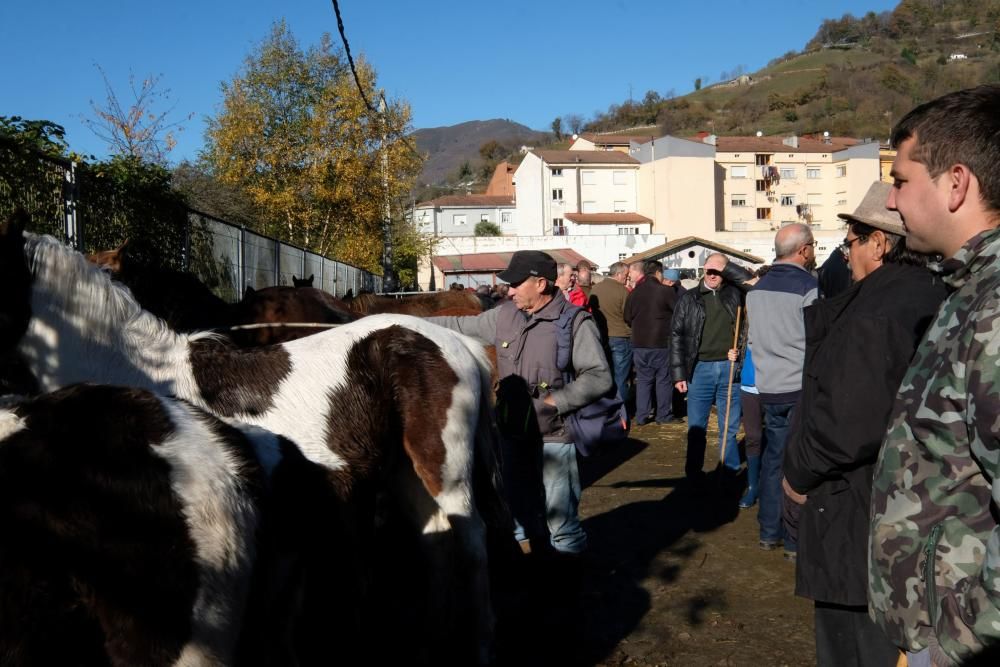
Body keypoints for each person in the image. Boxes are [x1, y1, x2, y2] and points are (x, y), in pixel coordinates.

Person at [781, 181, 947, 667]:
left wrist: (797, 473)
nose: (845, 255)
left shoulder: (877, 310)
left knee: (854, 645)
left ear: (878, 242)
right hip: (898, 516)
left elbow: (847, 423)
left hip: (858, 515)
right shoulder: (932, 293)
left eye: (849, 242)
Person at [868, 85, 1000, 666]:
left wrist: (955, 643)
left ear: (956, 183)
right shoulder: (968, 289)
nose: (892, 203)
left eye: (900, 180)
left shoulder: (994, 307)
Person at [429, 250, 612, 555]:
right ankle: (530, 583)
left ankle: (568, 590)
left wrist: (556, 401)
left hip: (554, 437)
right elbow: (458, 326)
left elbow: (599, 376)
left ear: (541, 284)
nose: (509, 290)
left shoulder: (575, 323)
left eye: (516, 283)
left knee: (562, 525)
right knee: (518, 518)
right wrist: (400, 319)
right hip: (511, 435)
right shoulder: (504, 317)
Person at [746, 223, 817, 557]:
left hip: (768, 386)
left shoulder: (756, 291)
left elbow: (754, 337)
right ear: (803, 250)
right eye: (813, 247)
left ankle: (767, 530)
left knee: (774, 459)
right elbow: (818, 340)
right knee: (798, 465)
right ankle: (792, 539)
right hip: (799, 386)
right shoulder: (808, 287)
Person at [670, 253, 746, 482]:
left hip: (729, 368)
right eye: (709, 270)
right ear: (703, 270)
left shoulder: (736, 295)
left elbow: (745, 330)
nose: (712, 275)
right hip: (699, 369)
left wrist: (739, 351)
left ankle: (729, 473)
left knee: (729, 428)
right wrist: (678, 373)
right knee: (696, 428)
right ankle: (693, 476)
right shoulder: (689, 299)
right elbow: (675, 336)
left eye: (718, 271)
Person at [624, 260, 677, 425]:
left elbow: (627, 317)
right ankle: (663, 415)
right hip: (661, 343)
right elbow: (678, 313)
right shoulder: (665, 291)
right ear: (658, 273)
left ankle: (642, 416)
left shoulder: (634, 293)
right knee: (663, 380)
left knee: (644, 381)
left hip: (639, 344)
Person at [589, 261, 632, 403]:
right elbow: (628, 316)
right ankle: (621, 411)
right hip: (621, 337)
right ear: (618, 274)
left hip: (601, 337)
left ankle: (606, 407)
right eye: (625, 275)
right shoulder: (623, 291)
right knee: (621, 377)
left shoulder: (595, 289)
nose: (627, 278)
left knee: (605, 376)